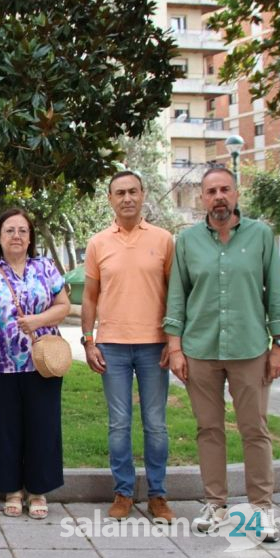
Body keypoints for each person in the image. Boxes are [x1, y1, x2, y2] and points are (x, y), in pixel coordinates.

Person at [164, 167, 280, 542]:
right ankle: (215, 504)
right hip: (200, 349)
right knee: (209, 429)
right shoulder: (187, 242)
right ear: (202, 198)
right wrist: (175, 347)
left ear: (236, 194)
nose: (218, 197)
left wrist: (279, 344)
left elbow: (276, 291)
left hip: (250, 348)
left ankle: (262, 508)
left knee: (255, 429)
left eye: (225, 189)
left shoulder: (261, 236)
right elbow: (178, 295)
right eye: (210, 191)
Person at [82, 171, 175, 523]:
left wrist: (174, 341)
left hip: (155, 346)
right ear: (110, 199)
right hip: (112, 347)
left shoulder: (165, 240)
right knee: (118, 424)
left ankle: (158, 495)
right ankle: (122, 493)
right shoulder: (98, 244)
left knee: (156, 424)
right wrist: (88, 341)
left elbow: (175, 296)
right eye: (119, 193)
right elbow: (90, 296)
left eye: (133, 191)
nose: (127, 198)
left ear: (143, 194)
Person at [0, 208, 69, 519]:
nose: (16, 236)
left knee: (43, 426)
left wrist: (37, 320)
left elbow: (64, 306)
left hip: (43, 363)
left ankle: (38, 491)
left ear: (30, 238)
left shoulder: (46, 268)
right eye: (10, 230)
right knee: (5, 429)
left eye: (23, 231)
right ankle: (11, 489)